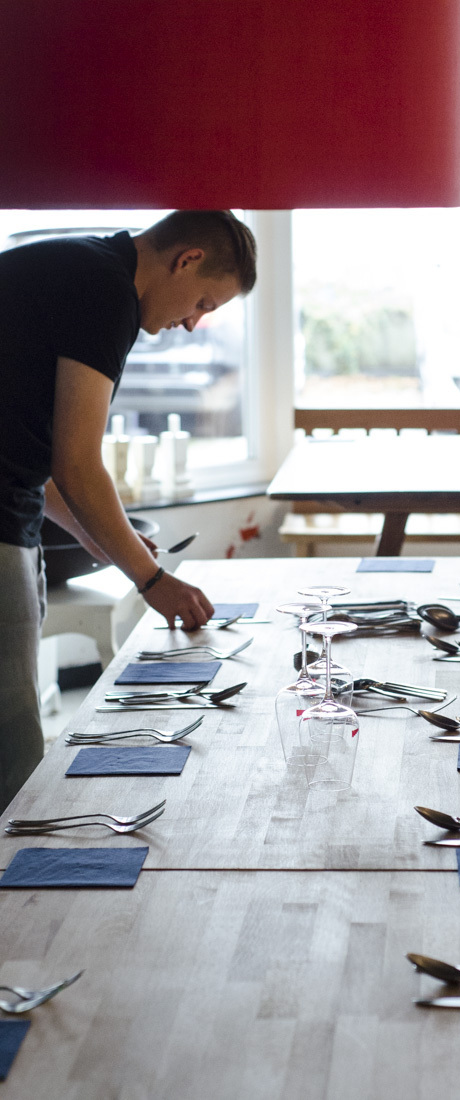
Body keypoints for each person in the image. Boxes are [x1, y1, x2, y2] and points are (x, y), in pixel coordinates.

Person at [0, 210, 257, 811]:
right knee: (11, 748)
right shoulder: (106, 292)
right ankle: (29, 900)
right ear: (186, 259)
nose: (193, 323)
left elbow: (38, 463)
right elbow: (78, 462)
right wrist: (151, 579)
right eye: (204, 303)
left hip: (13, 506)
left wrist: (103, 545)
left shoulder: (80, 266)